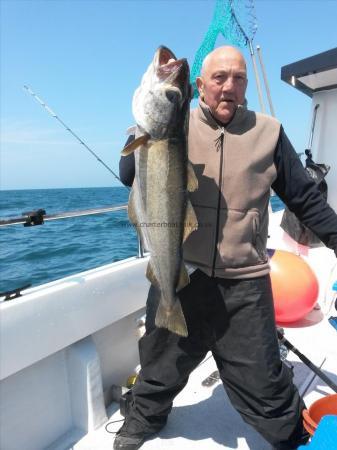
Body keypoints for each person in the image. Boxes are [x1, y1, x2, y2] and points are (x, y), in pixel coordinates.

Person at [114, 46, 337, 450]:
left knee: (264, 381)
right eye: (219, 78)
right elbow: (129, 173)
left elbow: (305, 199)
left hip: (245, 281)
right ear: (200, 85)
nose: (228, 88)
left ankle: (292, 435)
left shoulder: (268, 132)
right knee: (160, 362)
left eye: (238, 79)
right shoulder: (173, 126)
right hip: (185, 271)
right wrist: (140, 130)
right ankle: (144, 415)